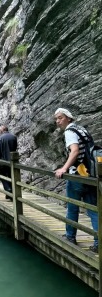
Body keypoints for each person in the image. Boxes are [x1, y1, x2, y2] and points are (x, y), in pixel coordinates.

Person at [54, 108, 98, 253]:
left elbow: (74, 150)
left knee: (73, 207)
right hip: (90, 174)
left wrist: (64, 168)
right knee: (93, 210)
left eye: (60, 118)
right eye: (56, 119)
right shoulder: (82, 129)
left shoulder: (69, 132)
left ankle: (70, 236)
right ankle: (98, 243)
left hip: (77, 175)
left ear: (68, 118)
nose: (58, 121)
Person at [0, 125, 17, 199]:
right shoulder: (13, 137)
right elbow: (15, 148)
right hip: (13, 161)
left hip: (3, 162)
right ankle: (11, 194)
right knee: (11, 176)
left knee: (3, 176)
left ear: (1, 130)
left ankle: (8, 190)